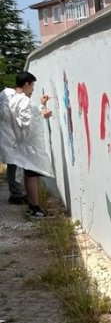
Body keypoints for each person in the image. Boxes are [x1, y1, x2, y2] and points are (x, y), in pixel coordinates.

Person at [0, 71, 53, 217]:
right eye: (32, 85)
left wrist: (41, 107)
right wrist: (43, 114)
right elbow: (26, 123)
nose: (34, 89)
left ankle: (33, 206)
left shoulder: (13, 100)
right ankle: (35, 208)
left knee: (29, 173)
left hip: (24, 144)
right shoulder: (24, 101)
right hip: (30, 145)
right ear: (26, 84)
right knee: (32, 174)